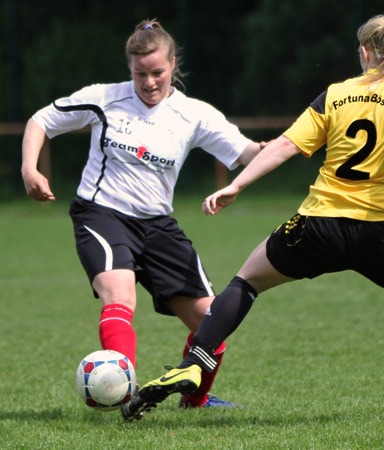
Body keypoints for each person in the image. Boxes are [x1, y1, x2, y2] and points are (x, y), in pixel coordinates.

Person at [122, 14, 384, 422]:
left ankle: (194, 361)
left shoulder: (335, 95)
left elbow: (286, 145)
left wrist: (237, 185)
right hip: (382, 230)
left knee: (246, 281)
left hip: (318, 224)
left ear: (364, 54)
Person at [21, 19, 266, 410]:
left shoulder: (194, 114)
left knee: (213, 321)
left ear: (173, 65)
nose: (149, 82)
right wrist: (29, 169)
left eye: (157, 72)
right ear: (130, 68)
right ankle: (122, 391)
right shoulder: (105, 98)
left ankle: (195, 400)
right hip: (101, 213)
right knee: (121, 296)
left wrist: (280, 148)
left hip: (158, 225)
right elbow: (42, 120)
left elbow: (247, 153)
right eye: (140, 73)